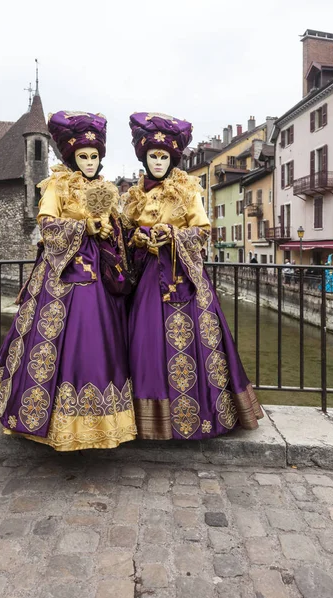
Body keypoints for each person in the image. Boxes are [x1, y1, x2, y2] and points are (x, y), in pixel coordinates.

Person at [0, 111, 137, 451]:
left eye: (94, 156)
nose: (89, 162)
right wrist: (85, 227)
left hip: (100, 279)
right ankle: (45, 418)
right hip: (61, 277)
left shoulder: (105, 189)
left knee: (100, 341)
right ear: (71, 157)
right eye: (83, 156)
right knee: (52, 340)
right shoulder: (58, 184)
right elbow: (48, 225)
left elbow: (118, 232)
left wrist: (112, 229)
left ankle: (99, 420)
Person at [122, 112, 262, 440]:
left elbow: (201, 232)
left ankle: (202, 416)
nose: (158, 162)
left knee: (193, 347)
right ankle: (149, 421)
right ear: (144, 157)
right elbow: (123, 235)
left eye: (164, 157)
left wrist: (171, 235)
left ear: (172, 159)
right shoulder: (133, 197)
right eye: (153, 156)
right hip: (145, 283)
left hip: (183, 283)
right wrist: (139, 239)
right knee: (145, 344)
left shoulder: (187, 190)